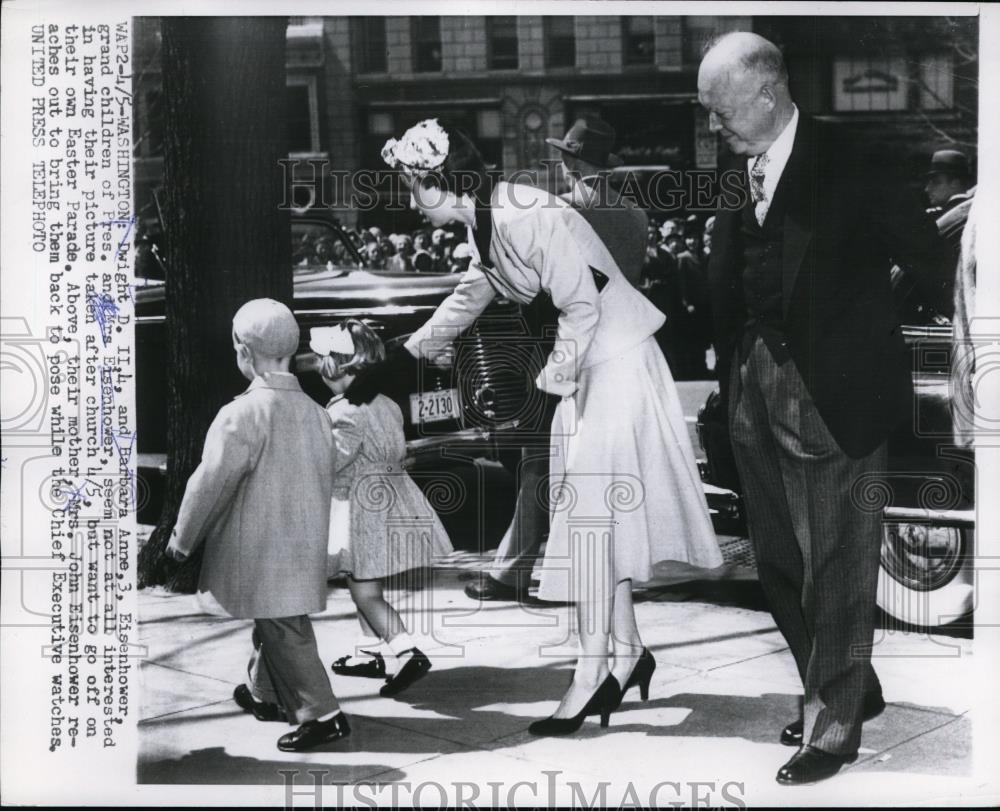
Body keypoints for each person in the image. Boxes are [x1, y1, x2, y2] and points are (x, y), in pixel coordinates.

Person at [374, 118, 723, 736]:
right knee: (596, 522)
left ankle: (589, 675)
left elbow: (582, 306)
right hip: (592, 366)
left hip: (611, 364)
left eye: (411, 185)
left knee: (589, 525)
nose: (408, 200)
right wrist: (408, 351)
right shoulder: (491, 216)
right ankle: (629, 651)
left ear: (436, 179)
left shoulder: (519, 213)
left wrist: (550, 387)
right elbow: (477, 288)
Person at [698, 32, 949, 785]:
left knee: (836, 563)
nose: (714, 126)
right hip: (751, 381)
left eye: (721, 110)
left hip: (835, 389)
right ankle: (846, 681)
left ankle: (834, 723)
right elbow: (733, 268)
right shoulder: (733, 166)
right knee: (777, 559)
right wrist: (731, 368)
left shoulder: (854, 160)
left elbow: (929, 256)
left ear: (767, 93)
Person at [165, 299, 350, 753]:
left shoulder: (241, 414)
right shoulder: (316, 412)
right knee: (274, 619)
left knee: (284, 626)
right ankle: (265, 694)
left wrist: (181, 539)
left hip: (263, 545)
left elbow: (210, 482)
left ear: (245, 353)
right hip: (303, 538)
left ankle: (323, 715)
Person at [312, 320, 454, 697]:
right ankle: (369, 654)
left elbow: (334, 460)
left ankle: (405, 651)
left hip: (363, 509)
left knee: (365, 593)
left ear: (336, 367)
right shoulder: (386, 402)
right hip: (390, 500)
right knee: (363, 580)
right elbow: (397, 451)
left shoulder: (344, 410)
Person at [548, 116, 649, 289]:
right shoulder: (638, 214)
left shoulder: (560, 206)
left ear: (569, 162)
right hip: (628, 314)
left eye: (562, 158)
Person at [924, 149, 974, 218]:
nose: (927, 189)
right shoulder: (975, 209)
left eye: (936, 182)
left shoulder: (937, 216)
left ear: (955, 184)